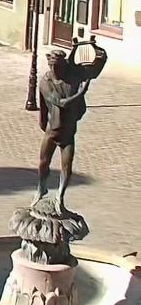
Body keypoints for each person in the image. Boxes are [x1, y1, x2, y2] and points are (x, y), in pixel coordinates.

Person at [36, 41, 108, 212]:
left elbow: (98, 64)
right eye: (52, 66)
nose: (55, 70)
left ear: (64, 64)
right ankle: (41, 189)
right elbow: (60, 103)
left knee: (67, 166)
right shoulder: (45, 82)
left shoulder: (73, 75)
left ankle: (59, 197)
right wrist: (82, 93)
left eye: (58, 66)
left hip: (68, 130)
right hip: (52, 131)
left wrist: (95, 47)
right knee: (43, 162)